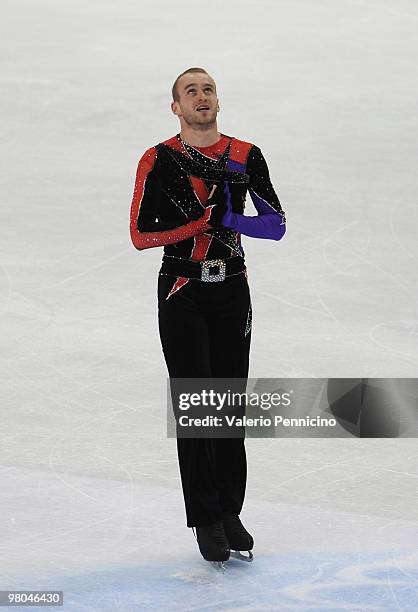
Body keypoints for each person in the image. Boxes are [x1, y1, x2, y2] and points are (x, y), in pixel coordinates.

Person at [129, 67, 286, 564]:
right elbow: (139, 234)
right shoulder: (158, 159)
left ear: (218, 100)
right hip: (182, 290)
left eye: (208, 89)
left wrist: (231, 219)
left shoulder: (244, 156)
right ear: (176, 107)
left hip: (231, 289)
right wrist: (199, 222)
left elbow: (276, 225)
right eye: (190, 91)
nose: (201, 96)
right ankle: (206, 518)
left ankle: (230, 510)